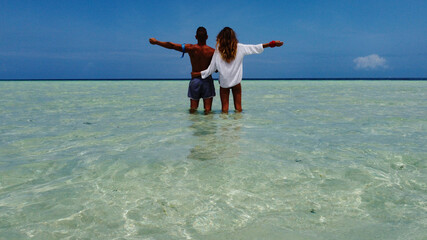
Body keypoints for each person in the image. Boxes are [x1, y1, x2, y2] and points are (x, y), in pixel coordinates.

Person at [192, 27, 283, 113]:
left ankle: (225, 128)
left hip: (224, 83)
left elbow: (210, 69)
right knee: (238, 108)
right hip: (236, 82)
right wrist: (272, 44)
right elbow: (256, 48)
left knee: (224, 109)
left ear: (221, 37)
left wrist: (198, 74)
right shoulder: (240, 47)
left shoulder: (218, 51)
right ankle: (237, 127)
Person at [149, 27, 215, 114]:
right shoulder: (212, 51)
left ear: (195, 37)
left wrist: (157, 42)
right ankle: (208, 126)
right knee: (208, 110)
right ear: (207, 37)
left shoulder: (191, 48)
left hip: (195, 81)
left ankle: (194, 126)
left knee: (193, 109)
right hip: (207, 80)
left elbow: (172, 45)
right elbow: (217, 67)